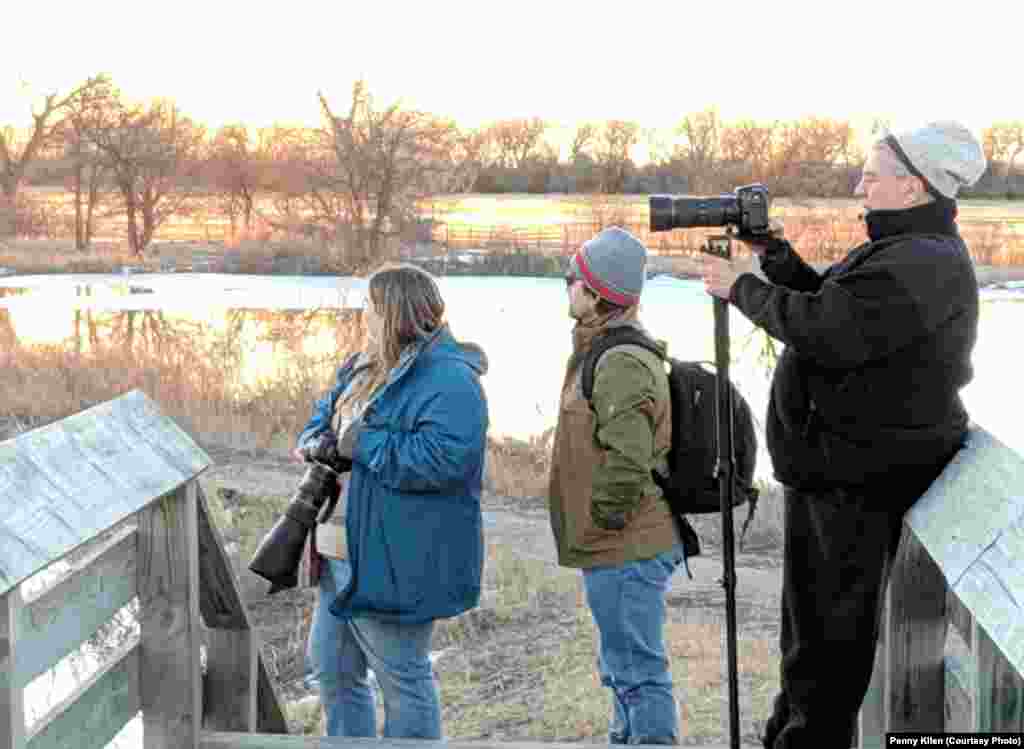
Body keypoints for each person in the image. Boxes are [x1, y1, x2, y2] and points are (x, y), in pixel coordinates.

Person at [701, 121, 987, 748]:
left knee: (825, 658)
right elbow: (835, 301)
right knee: (810, 648)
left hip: (856, 485)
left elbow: (831, 330)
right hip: (841, 477)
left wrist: (741, 288)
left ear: (912, 187)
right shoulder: (907, 251)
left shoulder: (922, 262)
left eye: (872, 174)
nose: (860, 183)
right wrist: (773, 255)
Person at [294, 263, 489, 739]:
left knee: (402, 678)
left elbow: (444, 461)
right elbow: (318, 424)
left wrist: (363, 444)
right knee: (334, 672)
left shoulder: (451, 380)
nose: (365, 316)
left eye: (372, 307)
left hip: (396, 554)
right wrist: (317, 443)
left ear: (395, 313)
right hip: (339, 549)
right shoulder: (361, 366)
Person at [549, 226, 689, 745]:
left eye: (573, 279)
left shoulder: (621, 361)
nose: (566, 287)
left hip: (626, 544)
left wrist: (604, 519)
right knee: (623, 670)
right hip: (617, 546)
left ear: (596, 292)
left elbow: (627, 458)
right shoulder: (604, 350)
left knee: (638, 673)